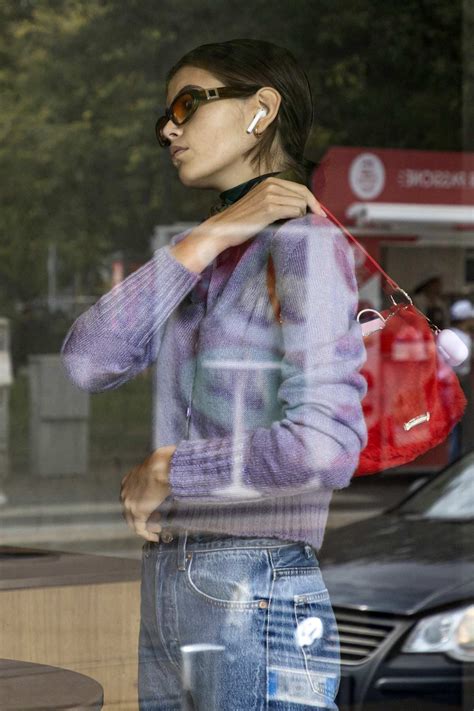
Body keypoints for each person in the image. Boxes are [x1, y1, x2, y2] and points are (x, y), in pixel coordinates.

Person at [61, 39, 367, 711]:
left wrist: (171, 467)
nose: (169, 128)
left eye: (188, 104)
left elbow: (325, 443)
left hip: (257, 576)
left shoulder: (304, 246)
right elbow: (88, 360)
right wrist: (215, 232)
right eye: (165, 116)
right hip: (178, 572)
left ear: (261, 111)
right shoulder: (213, 251)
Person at [448, 299, 474, 461]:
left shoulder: (449, 334)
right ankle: (456, 462)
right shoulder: (463, 339)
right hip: (457, 384)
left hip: (451, 384)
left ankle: (455, 460)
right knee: (461, 428)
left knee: (456, 428)